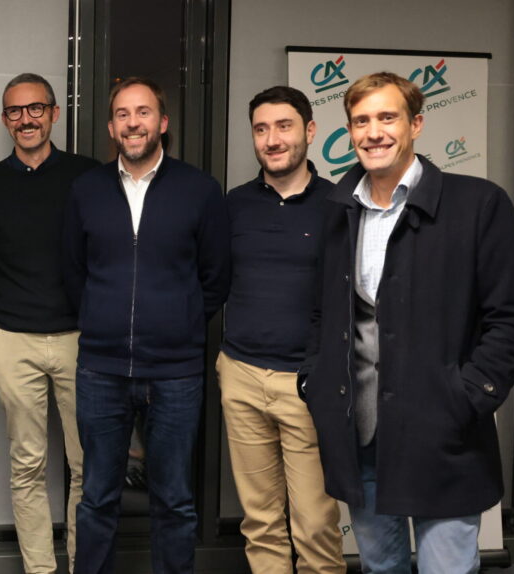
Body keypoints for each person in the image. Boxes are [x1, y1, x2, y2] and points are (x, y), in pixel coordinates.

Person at [301, 71, 514, 573]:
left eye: (387, 117)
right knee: (380, 567)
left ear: (416, 125)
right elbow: (322, 311)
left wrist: (468, 396)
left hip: (446, 436)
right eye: (361, 121)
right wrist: (315, 380)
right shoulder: (337, 211)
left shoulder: (479, 204)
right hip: (362, 435)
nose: (373, 132)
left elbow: (513, 319)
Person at [63, 77, 230, 574]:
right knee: (97, 498)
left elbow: (216, 276)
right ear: (111, 127)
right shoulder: (86, 190)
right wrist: (101, 319)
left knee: (174, 501)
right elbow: (72, 271)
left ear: (162, 121)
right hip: (101, 370)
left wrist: (179, 323)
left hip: (176, 373)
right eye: (122, 114)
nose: (132, 123)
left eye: (142, 112)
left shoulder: (200, 190)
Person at [0, 73, 99, 574]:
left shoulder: (88, 177)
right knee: (28, 467)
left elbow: (104, 257)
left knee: (88, 466)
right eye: (16, 111)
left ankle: (83, 564)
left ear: (54, 113)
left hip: (80, 342)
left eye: (35, 108)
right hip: (12, 342)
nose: (26, 119)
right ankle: (40, 570)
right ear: (5, 120)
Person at [217, 85, 345, 573]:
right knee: (261, 522)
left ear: (309, 131)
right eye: (261, 129)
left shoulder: (339, 205)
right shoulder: (233, 205)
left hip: (307, 384)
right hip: (241, 375)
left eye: (284, 126)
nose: (272, 139)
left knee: (315, 525)